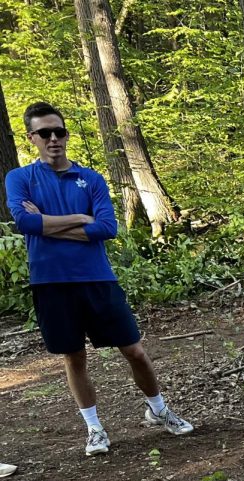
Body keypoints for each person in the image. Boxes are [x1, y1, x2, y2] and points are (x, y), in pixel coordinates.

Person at [5, 102, 193, 457]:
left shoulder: (90, 179)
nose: (54, 138)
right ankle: (94, 429)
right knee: (74, 357)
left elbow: (107, 228)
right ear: (32, 138)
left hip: (97, 278)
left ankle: (159, 410)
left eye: (59, 131)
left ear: (66, 134)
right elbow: (25, 223)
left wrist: (49, 223)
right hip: (51, 282)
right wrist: (79, 219)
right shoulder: (20, 179)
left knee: (134, 351)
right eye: (45, 133)